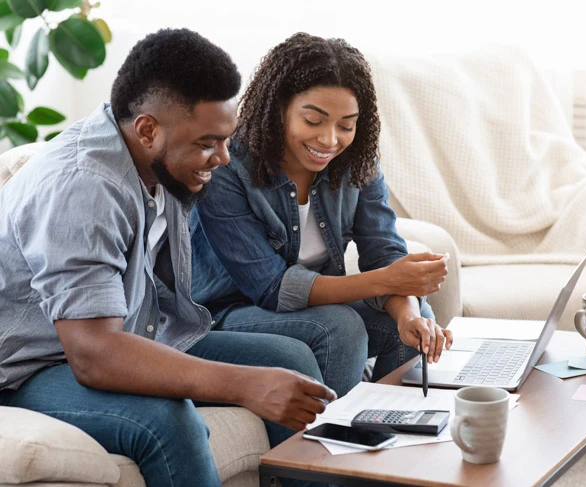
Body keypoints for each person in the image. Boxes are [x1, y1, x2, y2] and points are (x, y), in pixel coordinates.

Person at [0, 28, 335, 487]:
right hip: (29, 369)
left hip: (129, 331)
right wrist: (244, 384)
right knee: (166, 419)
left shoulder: (162, 164)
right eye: (206, 143)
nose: (221, 158)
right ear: (148, 129)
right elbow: (94, 353)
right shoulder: (84, 187)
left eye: (225, 140)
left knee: (291, 359)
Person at [191, 32, 453, 398]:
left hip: (303, 310)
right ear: (279, 106)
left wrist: (409, 312)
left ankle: (391, 432)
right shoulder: (229, 166)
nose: (330, 140)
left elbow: (383, 251)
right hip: (227, 313)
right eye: (314, 121)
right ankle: (332, 448)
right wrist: (387, 280)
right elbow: (271, 288)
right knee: (340, 328)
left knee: (412, 319)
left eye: (346, 125)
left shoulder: (356, 164)